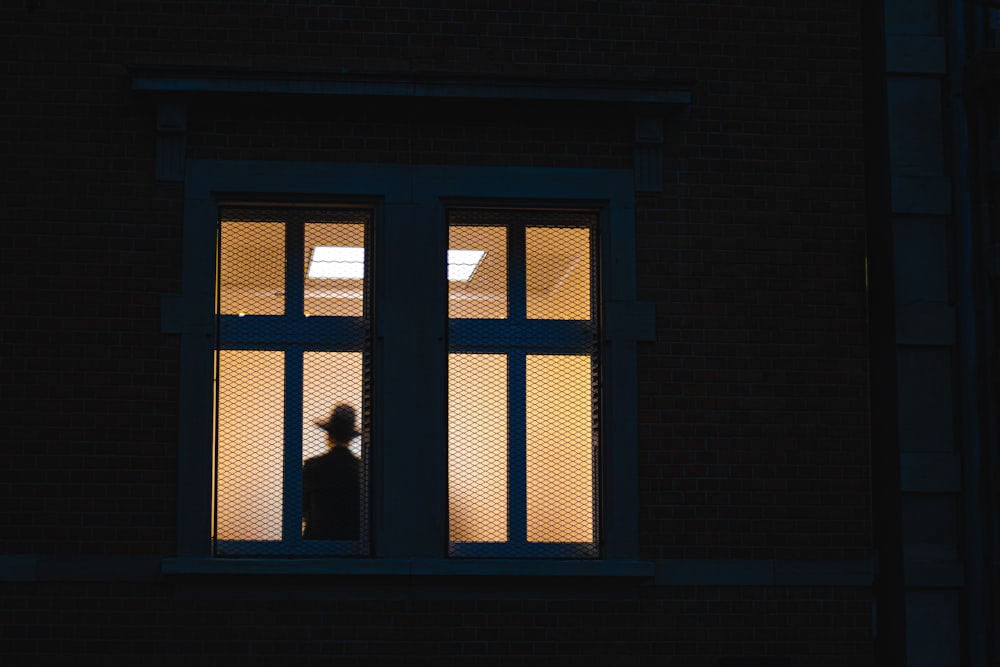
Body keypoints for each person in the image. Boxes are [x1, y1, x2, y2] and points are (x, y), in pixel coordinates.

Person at [302, 403, 361, 540]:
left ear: (328, 434)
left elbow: (301, 508)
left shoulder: (312, 467)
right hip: (352, 545)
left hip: (315, 545)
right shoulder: (360, 468)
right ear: (350, 438)